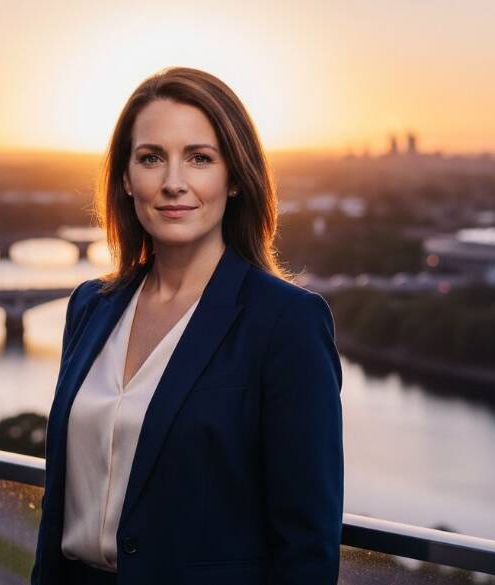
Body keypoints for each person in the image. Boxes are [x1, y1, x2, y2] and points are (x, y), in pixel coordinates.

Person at [30, 66, 343, 585]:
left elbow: (307, 545)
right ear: (126, 179)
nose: (173, 183)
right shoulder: (90, 306)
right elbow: (60, 503)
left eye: (200, 158)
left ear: (235, 178)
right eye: (151, 158)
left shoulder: (286, 323)